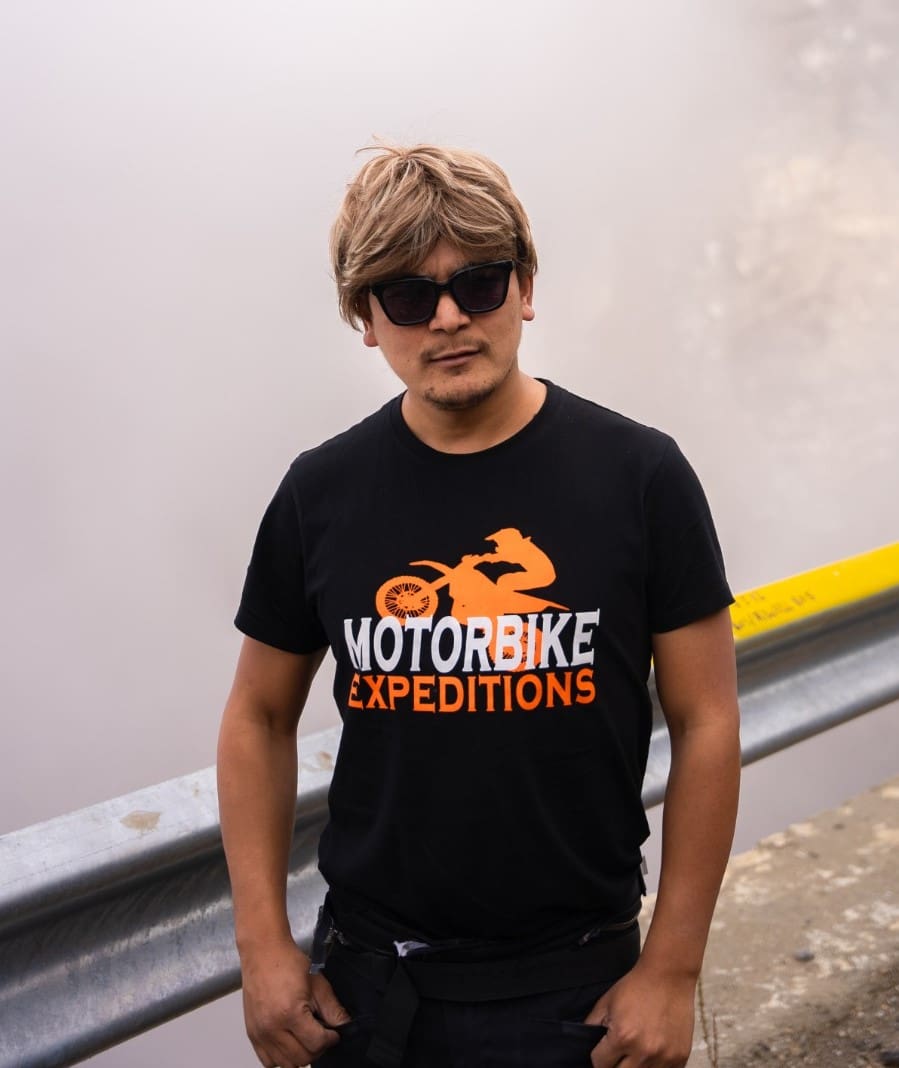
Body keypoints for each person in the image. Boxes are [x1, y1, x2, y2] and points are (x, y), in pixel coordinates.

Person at [217, 143, 741, 1068]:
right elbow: (258, 717)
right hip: (367, 991)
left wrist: (672, 969)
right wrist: (262, 950)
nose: (449, 318)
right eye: (407, 297)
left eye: (481, 283)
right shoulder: (319, 493)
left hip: (579, 994)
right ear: (366, 321)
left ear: (526, 288)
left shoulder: (639, 476)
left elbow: (706, 721)